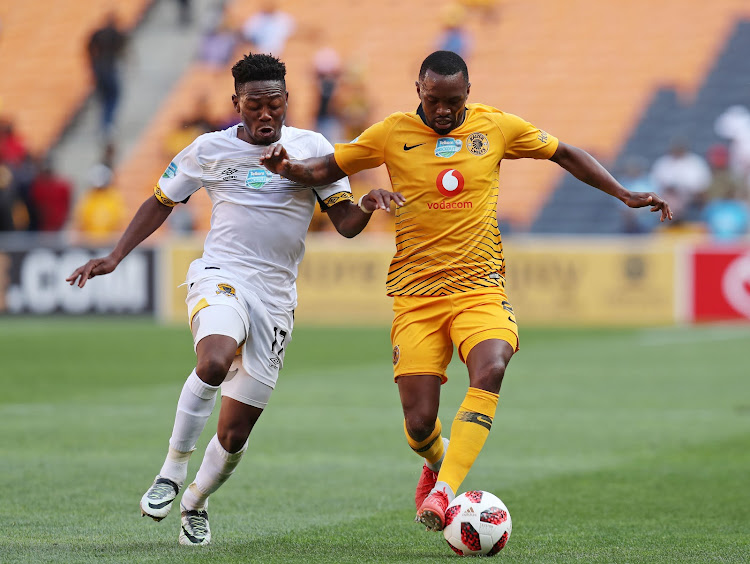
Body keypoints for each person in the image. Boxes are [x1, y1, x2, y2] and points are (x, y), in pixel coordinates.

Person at [259, 50, 672, 532]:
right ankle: (435, 463)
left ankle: (444, 492)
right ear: (418, 90)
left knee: (492, 364)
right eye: (434, 100)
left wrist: (623, 192)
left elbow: (564, 153)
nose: (442, 111)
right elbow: (323, 169)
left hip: (481, 287)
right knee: (418, 424)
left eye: (452, 102)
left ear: (467, 95)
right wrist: (286, 167)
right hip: (416, 294)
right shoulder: (391, 133)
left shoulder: (495, 128)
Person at [66, 53, 397, 546]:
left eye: (275, 105)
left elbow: (345, 223)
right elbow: (161, 200)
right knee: (216, 359)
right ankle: (171, 471)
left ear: (287, 101)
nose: (266, 115)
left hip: (277, 295)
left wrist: (367, 205)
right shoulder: (207, 150)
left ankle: (195, 502)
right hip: (222, 275)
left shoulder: (313, 148)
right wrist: (116, 256)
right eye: (255, 105)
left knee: (235, 435)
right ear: (236, 104)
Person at [86, 12, 128, 139]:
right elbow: (123, 49)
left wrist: (92, 65)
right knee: (113, 97)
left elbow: (88, 48)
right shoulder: (116, 34)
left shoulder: (97, 33)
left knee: (103, 99)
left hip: (98, 69)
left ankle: (103, 125)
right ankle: (108, 125)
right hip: (109, 68)